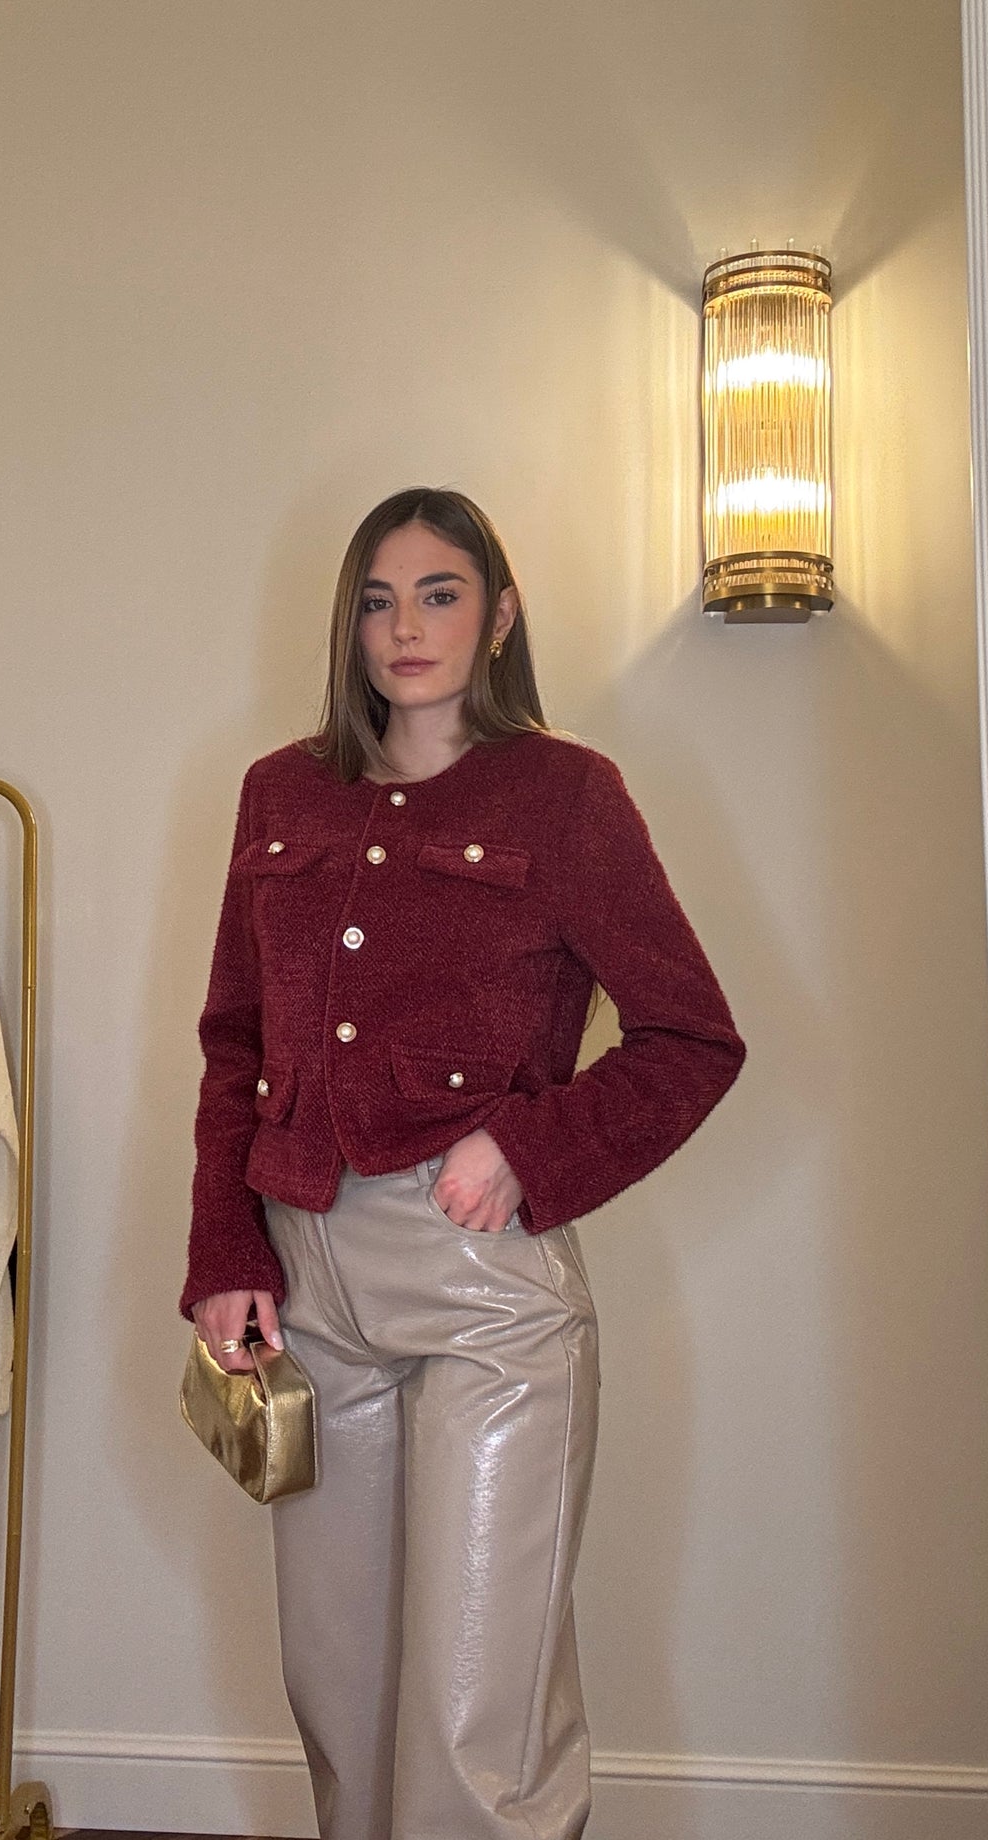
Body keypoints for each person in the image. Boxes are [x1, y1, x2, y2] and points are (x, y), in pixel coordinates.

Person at [179, 485, 746, 1840]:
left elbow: (692, 1038)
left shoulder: (566, 796)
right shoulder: (279, 792)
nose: (406, 628)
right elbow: (234, 1041)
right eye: (378, 601)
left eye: (439, 594)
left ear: (499, 614)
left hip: (483, 1294)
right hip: (306, 1287)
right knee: (341, 1693)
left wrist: (527, 1145)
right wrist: (225, 1252)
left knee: (476, 1720)